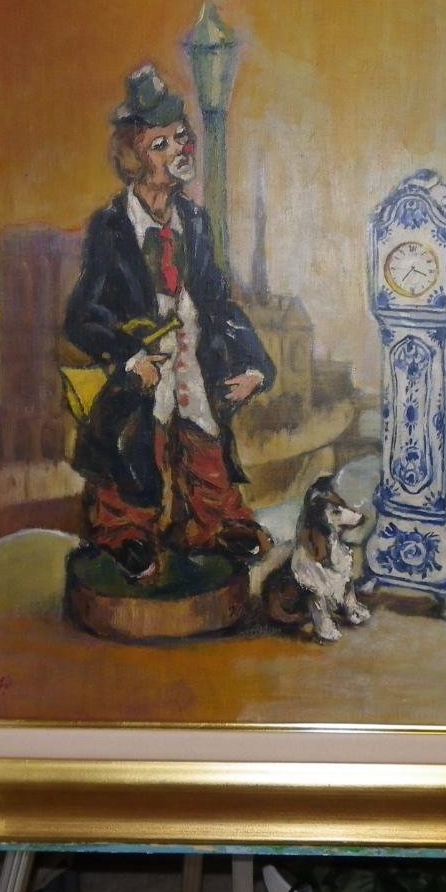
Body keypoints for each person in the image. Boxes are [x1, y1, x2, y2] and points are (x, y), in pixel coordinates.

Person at [63, 64, 275, 582]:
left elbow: (219, 304)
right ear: (134, 159)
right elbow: (82, 317)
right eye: (161, 144)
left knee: (203, 440)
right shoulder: (112, 228)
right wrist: (130, 357)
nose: (179, 149)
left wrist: (255, 365)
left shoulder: (195, 223)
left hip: (193, 364)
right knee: (134, 450)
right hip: (138, 374)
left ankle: (215, 523)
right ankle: (126, 533)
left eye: (180, 137)